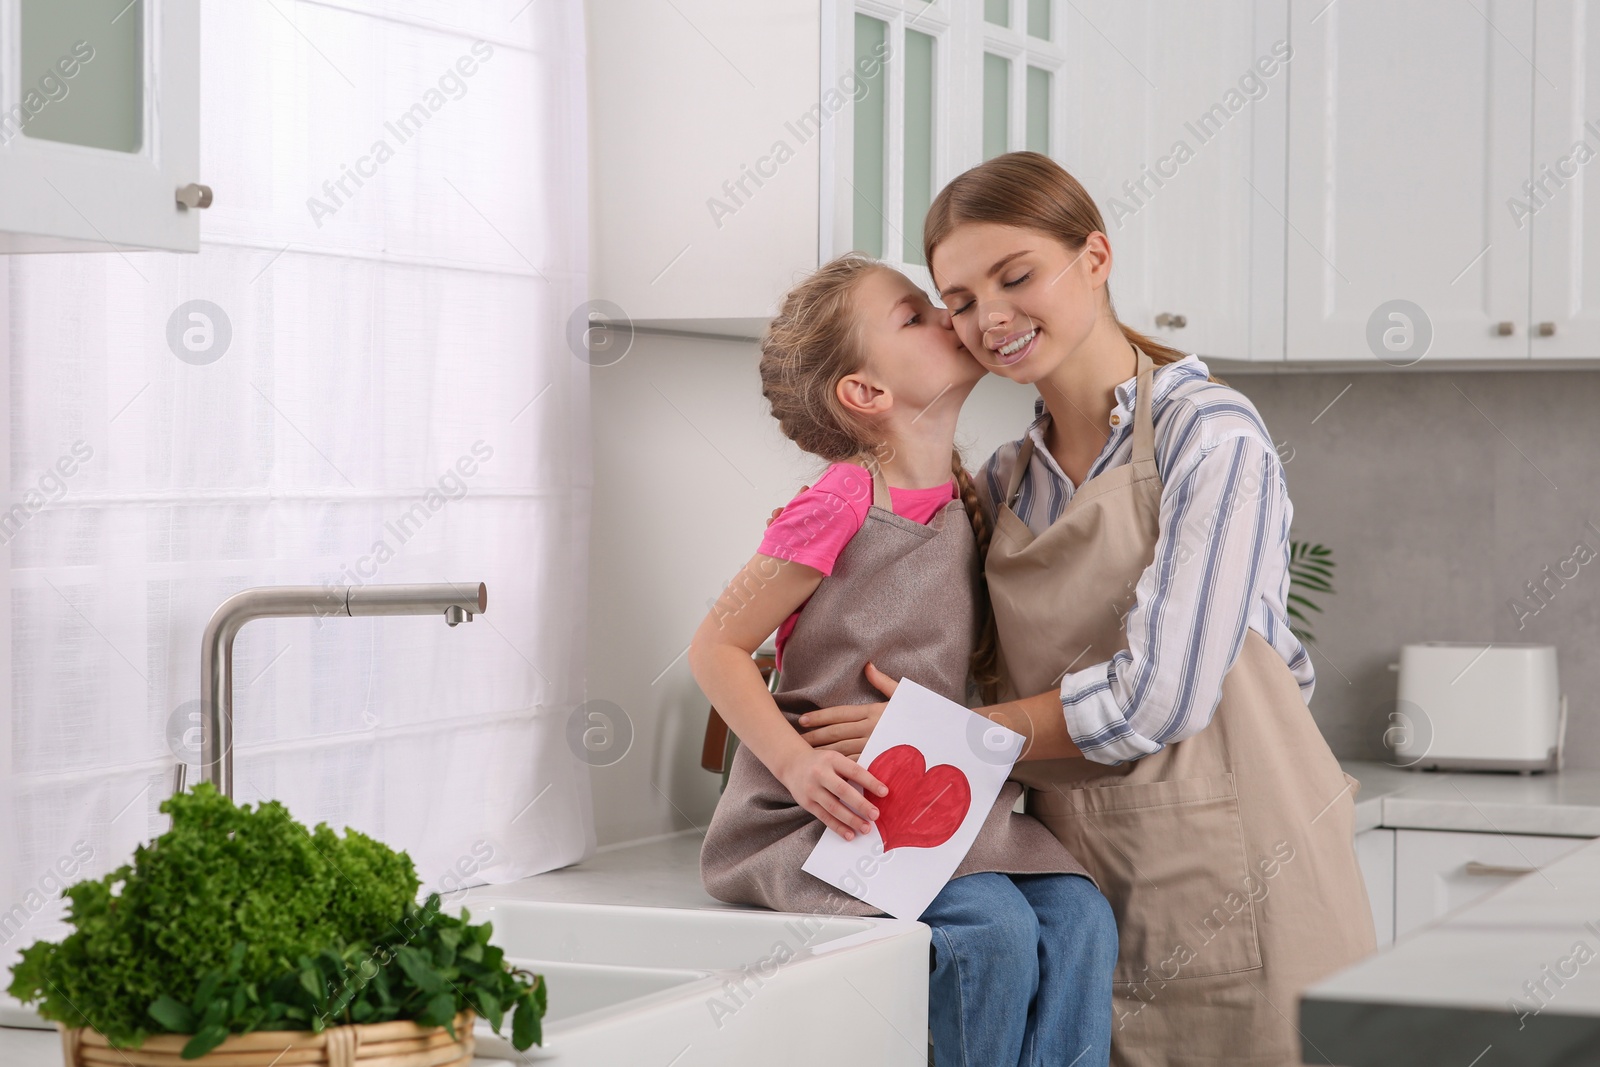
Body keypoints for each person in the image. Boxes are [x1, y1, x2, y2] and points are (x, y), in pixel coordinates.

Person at [798, 153, 1376, 1066]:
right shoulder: (1004, 482)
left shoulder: (1210, 436)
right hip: (1083, 903)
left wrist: (946, 731)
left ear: (1095, 257)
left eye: (1016, 276)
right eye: (956, 299)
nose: (989, 317)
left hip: (1247, 885)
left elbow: (1160, 697)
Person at [690, 253, 1117, 1066]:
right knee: (992, 928)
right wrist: (795, 766)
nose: (952, 319)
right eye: (917, 316)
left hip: (937, 802)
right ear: (866, 393)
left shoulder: (970, 498)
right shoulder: (841, 499)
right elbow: (716, 646)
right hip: (823, 815)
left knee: (1081, 916)